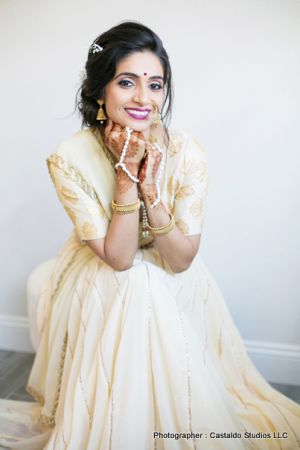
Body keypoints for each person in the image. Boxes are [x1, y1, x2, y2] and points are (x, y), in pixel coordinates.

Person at [0, 20, 299, 450]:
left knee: (150, 278)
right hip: (101, 269)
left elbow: (180, 260)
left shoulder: (187, 153)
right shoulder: (68, 159)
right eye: (127, 82)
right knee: (135, 280)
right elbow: (119, 258)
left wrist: (151, 187)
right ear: (101, 89)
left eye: (156, 85)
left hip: (169, 264)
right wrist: (125, 177)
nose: (143, 98)